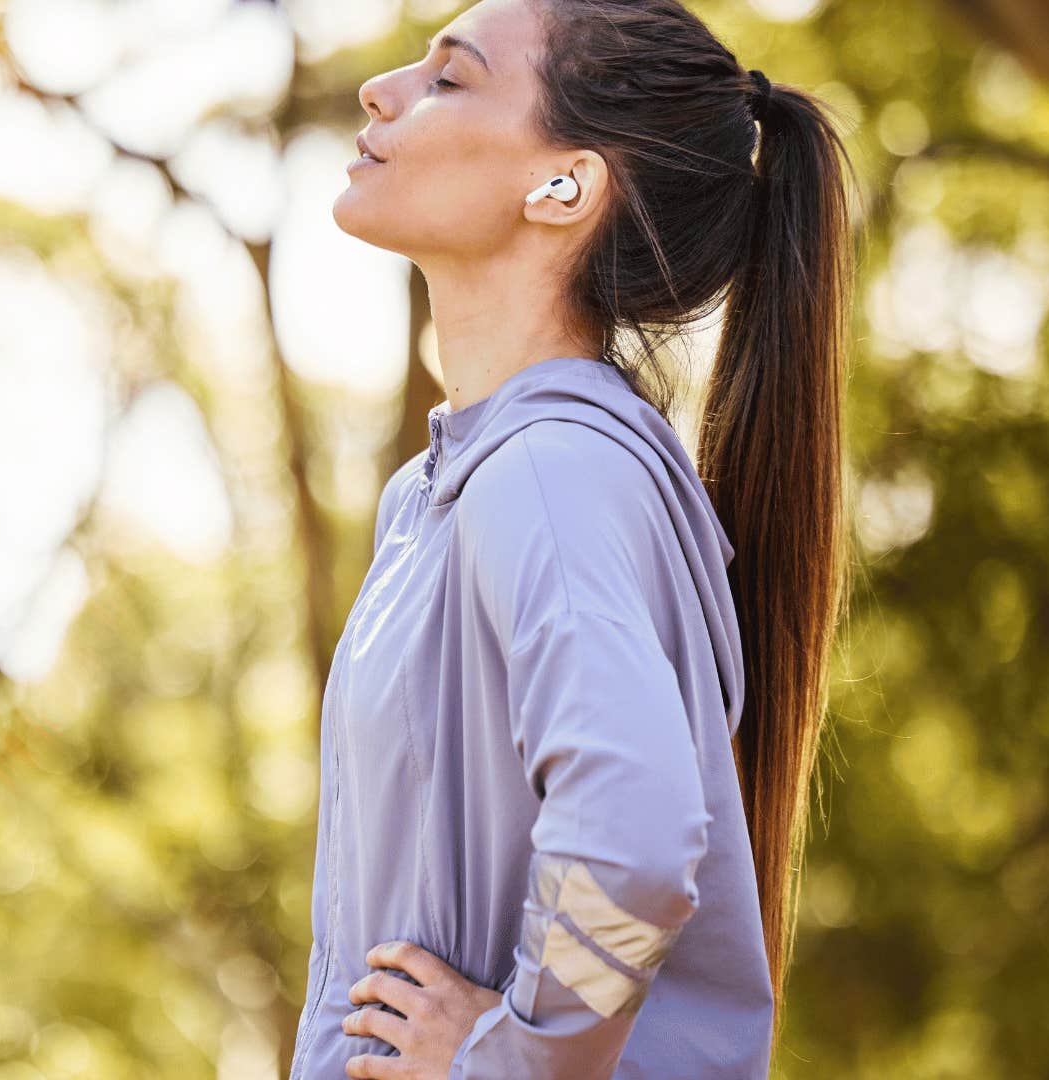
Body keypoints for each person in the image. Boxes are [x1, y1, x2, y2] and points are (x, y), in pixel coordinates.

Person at [288, 0, 856, 1076]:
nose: (383, 91)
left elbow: (634, 840)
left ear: (564, 187)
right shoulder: (442, 493)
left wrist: (514, 1057)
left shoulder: (554, 472)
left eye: (450, 78)